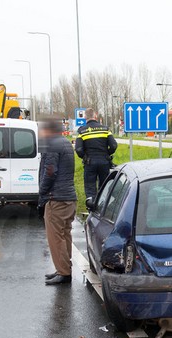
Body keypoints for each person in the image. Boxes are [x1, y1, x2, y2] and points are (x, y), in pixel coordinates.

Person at [39, 117, 78, 285]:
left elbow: (50, 171)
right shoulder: (65, 142)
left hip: (56, 198)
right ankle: (64, 268)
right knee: (64, 234)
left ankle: (63, 272)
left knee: (55, 237)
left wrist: (42, 191)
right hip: (69, 197)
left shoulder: (51, 144)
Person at [75, 108, 117, 200]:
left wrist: (84, 156)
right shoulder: (105, 129)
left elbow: (78, 149)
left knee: (90, 188)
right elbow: (113, 145)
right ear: (95, 116)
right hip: (104, 161)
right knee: (104, 186)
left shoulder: (82, 131)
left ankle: (91, 208)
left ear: (85, 117)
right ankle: (102, 207)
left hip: (90, 162)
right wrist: (107, 154)